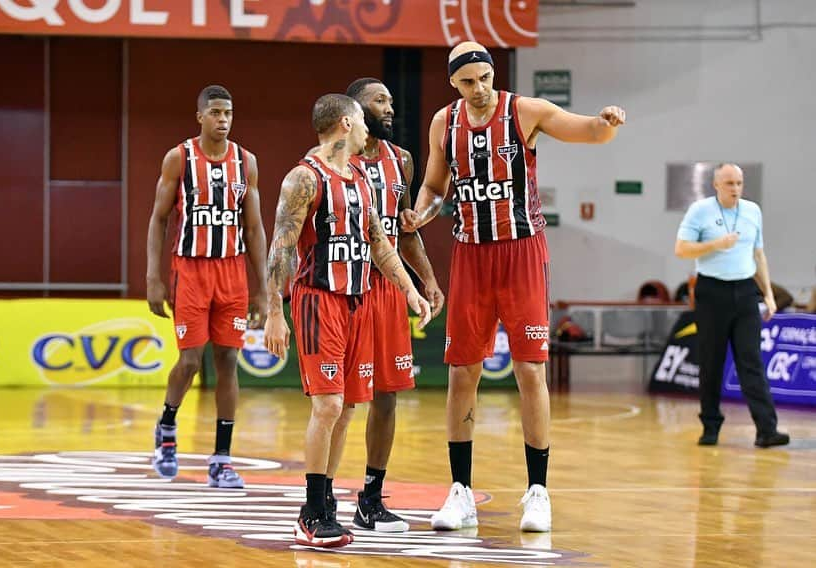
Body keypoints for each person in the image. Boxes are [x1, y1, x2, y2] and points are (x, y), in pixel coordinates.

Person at [400, 41, 626, 533]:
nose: (478, 88)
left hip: (522, 252)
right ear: (453, 83)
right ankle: (460, 493)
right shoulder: (445, 123)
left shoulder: (524, 111)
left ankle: (538, 492)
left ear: (492, 75)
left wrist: (605, 122)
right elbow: (436, 188)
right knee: (463, 373)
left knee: (530, 371)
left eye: (484, 78)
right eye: (467, 81)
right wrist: (422, 213)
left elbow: (586, 131)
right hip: (472, 254)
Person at [263, 94, 432, 548]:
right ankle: (311, 512)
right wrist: (274, 312)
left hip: (357, 300)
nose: (366, 130)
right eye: (360, 122)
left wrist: (410, 288)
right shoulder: (304, 178)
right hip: (319, 300)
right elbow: (281, 246)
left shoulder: (359, 177)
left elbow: (378, 241)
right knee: (329, 406)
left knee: (348, 407)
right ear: (344, 124)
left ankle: (328, 501)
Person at [146, 85, 268, 487]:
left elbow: (253, 227)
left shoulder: (245, 162)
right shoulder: (178, 159)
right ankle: (166, 429)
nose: (223, 120)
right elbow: (159, 219)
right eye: (215, 112)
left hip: (232, 273)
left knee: (229, 363)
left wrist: (262, 289)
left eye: (228, 113)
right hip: (190, 270)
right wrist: (153, 276)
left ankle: (222, 457)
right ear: (200, 116)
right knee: (190, 361)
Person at [341, 77, 445, 533]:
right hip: (345, 285)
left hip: (389, 288)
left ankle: (370, 496)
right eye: (379, 101)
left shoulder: (401, 160)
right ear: (355, 111)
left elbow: (404, 228)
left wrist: (427, 279)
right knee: (340, 403)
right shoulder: (331, 158)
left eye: (390, 98)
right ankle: (320, 496)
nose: (391, 107)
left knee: (388, 396)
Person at [674, 163, 789, 448]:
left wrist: (769, 295)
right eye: (729, 183)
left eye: (738, 183)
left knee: (751, 361)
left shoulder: (752, 211)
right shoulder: (700, 211)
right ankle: (710, 426)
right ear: (716, 185)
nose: (735, 189)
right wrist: (715, 244)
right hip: (712, 291)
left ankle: (766, 429)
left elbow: (758, 254)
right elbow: (681, 249)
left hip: (745, 290)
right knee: (711, 362)